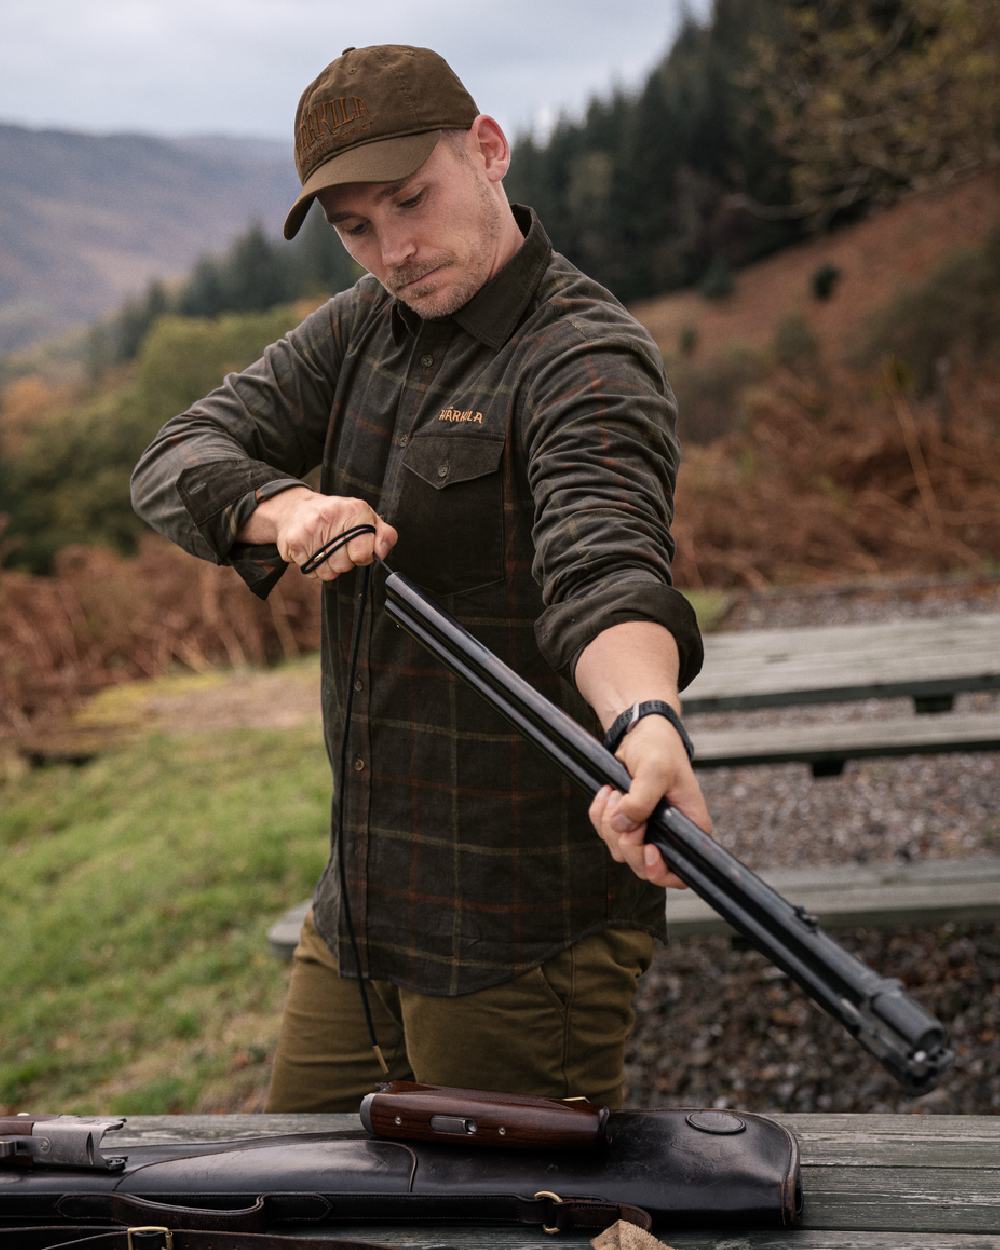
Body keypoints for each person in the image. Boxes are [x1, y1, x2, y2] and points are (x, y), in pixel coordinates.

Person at [130, 43, 712, 1113]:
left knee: (512, 1204)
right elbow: (174, 457)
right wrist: (287, 509)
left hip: (518, 934)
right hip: (359, 912)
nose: (392, 250)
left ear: (487, 150)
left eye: (410, 200)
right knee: (289, 1185)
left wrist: (644, 718)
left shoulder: (583, 355)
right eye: (356, 227)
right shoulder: (361, 327)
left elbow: (604, 561)